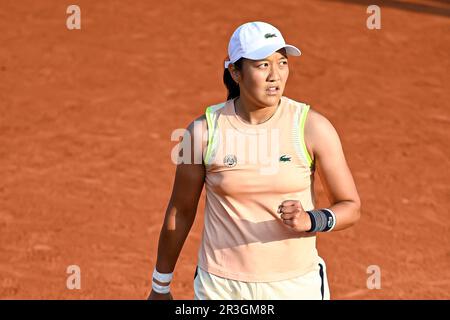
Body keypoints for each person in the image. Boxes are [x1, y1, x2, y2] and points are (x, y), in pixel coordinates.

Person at [148, 21, 361, 300]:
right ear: (236, 72)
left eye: (282, 63)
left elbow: (351, 207)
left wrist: (311, 219)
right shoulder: (202, 132)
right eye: (263, 65)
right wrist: (160, 285)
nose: (276, 75)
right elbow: (181, 210)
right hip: (221, 288)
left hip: (295, 286)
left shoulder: (312, 127)